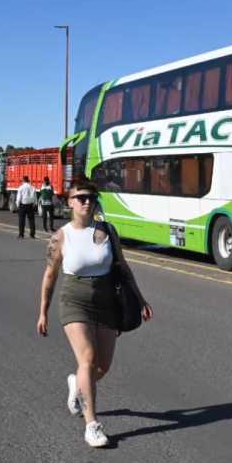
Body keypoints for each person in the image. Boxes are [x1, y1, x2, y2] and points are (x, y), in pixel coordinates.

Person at [36, 178, 153, 448]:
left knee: (102, 367)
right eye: (81, 198)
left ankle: (76, 383)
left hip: (106, 301)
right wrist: (43, 312)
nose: (87, 202)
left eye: (91, 197)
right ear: (69, 202)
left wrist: (140, 299)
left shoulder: (108, 231)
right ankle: (92, 424)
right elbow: (50, 276)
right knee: (87, 357)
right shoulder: (60, 237)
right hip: (74, 300)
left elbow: (122, 267)